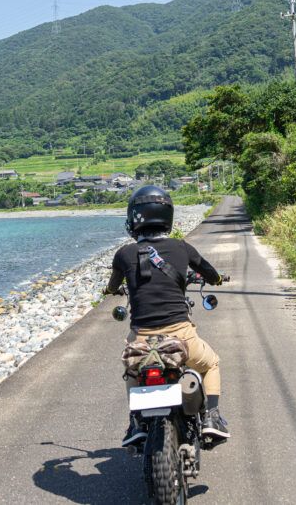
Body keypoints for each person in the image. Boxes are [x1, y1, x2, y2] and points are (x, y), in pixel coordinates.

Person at [104, 184, 230, 447]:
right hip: (182, 336)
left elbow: (114, 285)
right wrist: (217, 279)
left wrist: (110, 290)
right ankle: (211, 417)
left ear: (134, 219)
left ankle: (136, 422)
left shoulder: (124, 254)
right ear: (167, 217)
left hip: (143, 339)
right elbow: (208, 271)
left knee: (132, 371)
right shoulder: (182, 248)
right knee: (211, 363)